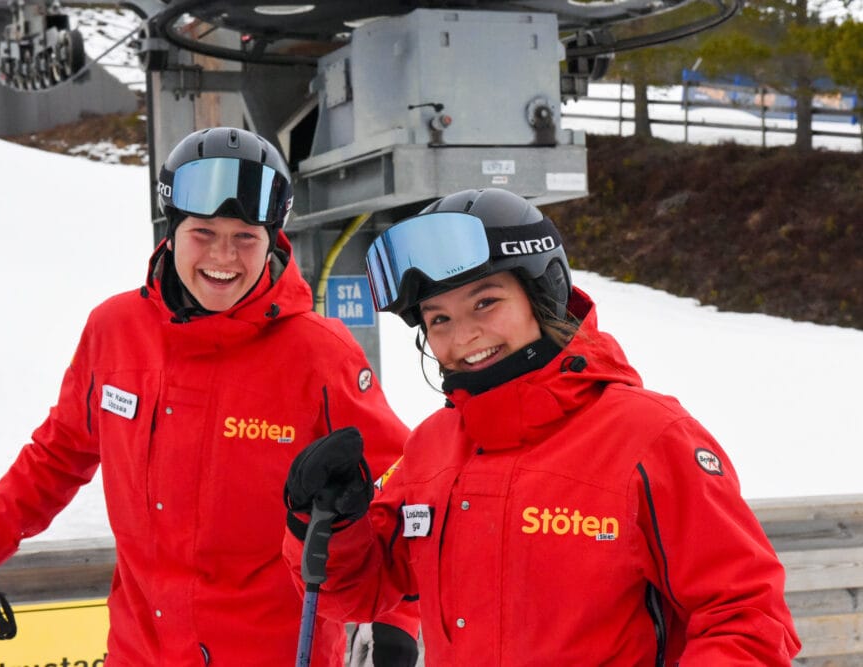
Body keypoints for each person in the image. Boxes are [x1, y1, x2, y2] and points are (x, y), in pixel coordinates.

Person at [0, 127, 418, 666]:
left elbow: (398, 483)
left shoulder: (318, 352)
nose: (224, 257)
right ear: (172, 229)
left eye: (245, 237)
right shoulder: (115, 330)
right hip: (140, 651)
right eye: (204, 233)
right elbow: (62, 451)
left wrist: (392, 618)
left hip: (276, 652)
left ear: (271, 241)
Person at [283, 187, 801, 664]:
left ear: (543, 294)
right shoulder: (433, 449)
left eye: (486, 302)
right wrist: (329, 520)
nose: (463, 336)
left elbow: (747, 619)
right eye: (438, 319)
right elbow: (355, 591)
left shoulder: (651, 440)